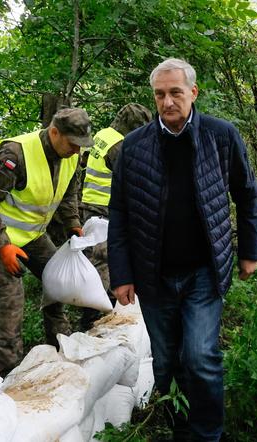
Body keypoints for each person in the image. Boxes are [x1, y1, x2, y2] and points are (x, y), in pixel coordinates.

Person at [107, 58, 257, 441]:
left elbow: (247, 194)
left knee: (200, 357)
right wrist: (122, 273)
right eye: (160, 94)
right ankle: (182, 431)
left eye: (176, 92)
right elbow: (120, 212)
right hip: (154, 273)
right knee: (166, 364)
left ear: (193, 92)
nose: (168, 101)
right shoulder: (133, 146)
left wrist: (250, 251)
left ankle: (208, 434)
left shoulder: (220, 136)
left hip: (204, 270)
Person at [0, 107, 94, 377]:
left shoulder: (72, 155)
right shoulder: (16, 153)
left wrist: (73, 222)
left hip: (32, 236)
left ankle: (60, 343)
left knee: (58, 281)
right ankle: (7, 373)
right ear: (54, 132)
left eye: (81, 146)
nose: (77, 151)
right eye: (73, 144)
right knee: (10, 304)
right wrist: (2, 245)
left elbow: (68, 191)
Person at [78, 103, 152, 330]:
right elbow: (135, 182)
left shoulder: (103, 135)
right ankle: (98, 322)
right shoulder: (119, 146)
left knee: (95, 264)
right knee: (105, 267)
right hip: (103, 212)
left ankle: (92, 318)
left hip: (90, 208)